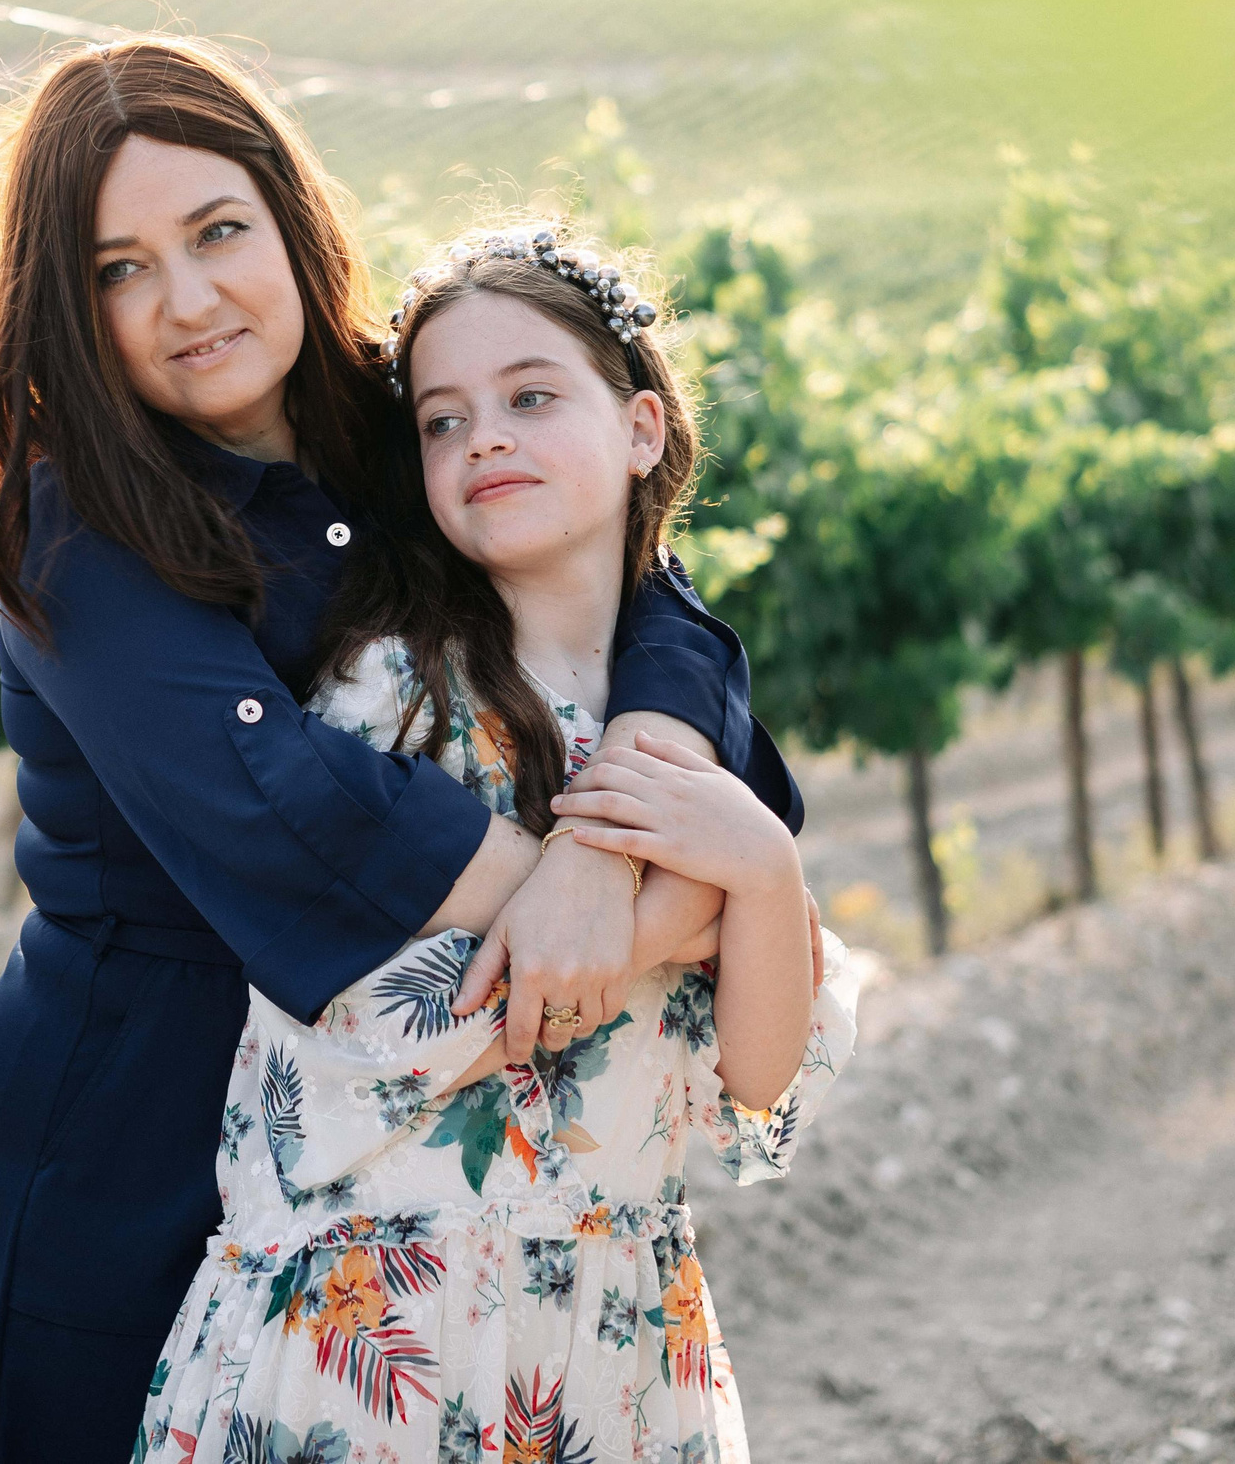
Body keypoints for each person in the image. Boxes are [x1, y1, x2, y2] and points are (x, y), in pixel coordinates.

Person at [0, 39, 800, 1462]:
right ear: (71, 310)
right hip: (130, 1131)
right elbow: (287, 798)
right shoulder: (73, 527)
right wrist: (627, 898)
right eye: (119, 268)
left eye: (216, 233)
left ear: (290, 221)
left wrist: (612, 829)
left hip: (403, 1143)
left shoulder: (414, 424)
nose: (187, 299)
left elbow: (647, 586)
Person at [132, 226, 855, 1464]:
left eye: (529, 397)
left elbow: (755, 1084)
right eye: (443, 421)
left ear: (639, 430)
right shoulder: (387, 694)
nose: (487, 441)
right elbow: (355, 1043)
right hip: (377, 1341)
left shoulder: (688, 738)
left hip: (616, 1340)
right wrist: (690, 916)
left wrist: (768, 870)